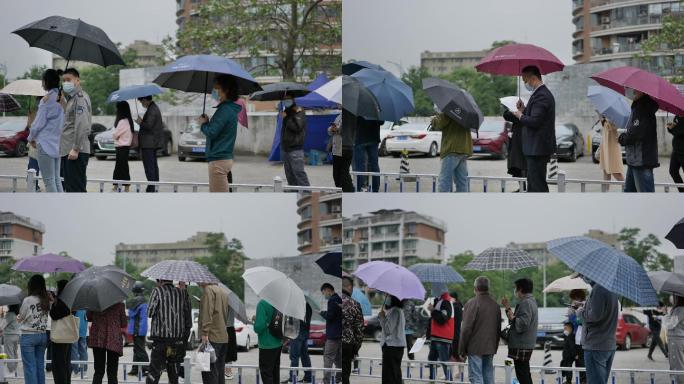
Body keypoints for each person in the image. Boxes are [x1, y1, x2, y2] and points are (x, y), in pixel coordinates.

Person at [510, 66, 556, 192]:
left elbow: (535, 121)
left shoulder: (541, 95)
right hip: (535, 148)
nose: (525, 83)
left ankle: (541, 209)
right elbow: (536, 116)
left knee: (537, 185)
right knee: (533, 183)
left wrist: (520, 115)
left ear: (533, 78)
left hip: (537, 149)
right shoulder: (538, 94)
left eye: (525, 80)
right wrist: (524, 110)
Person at [198, 75, 241, 192]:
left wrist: (203, 124)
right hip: (222, 159)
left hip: (218, 161)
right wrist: (207, 122)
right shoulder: (228, 109)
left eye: (216, 88)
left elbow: (212, 132)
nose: (214, 91)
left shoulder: (224, 110)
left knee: (219, 201)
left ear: (225, 90)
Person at [146, 280, 192, 384]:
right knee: (173, 372)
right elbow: (187, 311)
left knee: (154, 372)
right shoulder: (181, 292)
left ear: (160, 280)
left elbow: (149, 312)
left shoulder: (157, 291)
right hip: (175, 342)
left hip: (160, 341)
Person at [577, 274, 619, 384]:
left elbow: (594, 316)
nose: (582, 278)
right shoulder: (611, 288)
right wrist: (586, 306)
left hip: (596, 345)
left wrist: (580, 312)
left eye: (582, 275)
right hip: (607, 344)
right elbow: (601, 311)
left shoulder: (598, 289)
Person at [459, 276, 501, 384]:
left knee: (476, 377)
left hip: (475, 347)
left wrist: (462, 349)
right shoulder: (495, 305)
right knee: (488, 376)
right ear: (488, 288)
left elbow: (466, 329)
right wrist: (494, 347)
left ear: (475, 288)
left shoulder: (472, 303)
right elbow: (498, 329)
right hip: (490, 347)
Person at [28, 69, 64, 192]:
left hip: (45, 143)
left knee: (49, 181)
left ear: (46, 81)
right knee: (57, 179)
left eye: (42, 80)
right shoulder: (62, 98)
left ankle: (54, 209)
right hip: (58, 143)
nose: (42, 83)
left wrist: (31, 137)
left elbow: (38, 124)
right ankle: (61, 207)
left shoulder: (46, 100)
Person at [618, 87, 659, 192]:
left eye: (635, 89)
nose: (633, 91)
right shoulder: (637, 107)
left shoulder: (643, 108)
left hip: (641, 161)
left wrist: (622, 138)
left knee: (645, 199)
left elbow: (635, 134)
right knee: (629, 195)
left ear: (643, 91)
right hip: (634, 161)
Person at [501, 278, 538, 384]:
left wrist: (513, 317)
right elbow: (516, 320)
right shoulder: (530, 301)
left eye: (516, 288)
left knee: (522, 374)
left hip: (522, 344)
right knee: (524, 372)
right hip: (524, 343)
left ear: (520, 289)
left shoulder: (526, 302)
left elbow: (523, 323)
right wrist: (507, 307)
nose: (515, 291)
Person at [60, 68, 91, 192]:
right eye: (64, 80)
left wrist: (76, 148)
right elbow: (70, 121)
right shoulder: (72, 99)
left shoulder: (80, 98)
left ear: (77, 81)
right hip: (68, 149)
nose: (65, 83)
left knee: (76, 189)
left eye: (69, 80)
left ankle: (80, 211)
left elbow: (82, 125)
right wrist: (63, 102)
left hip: (75, 151)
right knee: (70, 186)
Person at [19, 275, 51, 384]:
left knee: (30, 368)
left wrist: (19, 318)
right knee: (39, 366)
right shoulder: (46, 300)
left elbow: (22, 316)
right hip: (42, 335)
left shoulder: (28, 300)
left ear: (31, 285)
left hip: (28, 335)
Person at [431, 110, 473, 192]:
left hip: (452, 148)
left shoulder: (450, 110)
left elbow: (439, 124)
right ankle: (461, 203)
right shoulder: (467, 112)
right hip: (464, 148)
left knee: (444, 181)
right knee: (462, 182)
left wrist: (433, 119)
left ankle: (442, 203)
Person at [87, 302, 127, 384]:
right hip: (114, 340)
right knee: (112, 373)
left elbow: (89, 317)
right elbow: (124, 323)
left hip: (98, 338)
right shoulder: (119, 304)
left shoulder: (94, 303)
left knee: (98, 372)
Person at [198, 282, 230, 384]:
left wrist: (204, 333)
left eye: (199, 280)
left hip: (211, 337)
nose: (198, 282)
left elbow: (208, 313)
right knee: (219, 372)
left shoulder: (208, 290)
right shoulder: (223, 291)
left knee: (209, 374)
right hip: (223, 337)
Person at [426, 283, 454, 379]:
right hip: (435, 336)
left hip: (443, 338)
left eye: (434, 287)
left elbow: (442, 319)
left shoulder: (446, 302)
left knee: (444, 361)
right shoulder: (438, 300)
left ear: (440, 289)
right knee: (432, 360)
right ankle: (432, 379)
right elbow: (433, 319)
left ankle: (449, 380)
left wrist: (433, 310)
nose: (432, 290)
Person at [280, 95, 310, 186]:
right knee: (290, 176)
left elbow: (298, 127)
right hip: (286, 149)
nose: (286, 101)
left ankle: (307, 195)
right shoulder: (286, 112)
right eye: (284, 99)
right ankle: (293, 195)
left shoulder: (299, 111)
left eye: (287, 99)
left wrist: (286, 118)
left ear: (293, 99)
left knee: (299, 174)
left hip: (295, 149)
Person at [136, 95, 163, 192]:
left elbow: (149, 126)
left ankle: (152, 188)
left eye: (141, 102)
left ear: (144, 100)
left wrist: (140, 122)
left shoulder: (152, 110)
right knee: (153, 166)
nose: (141, 104)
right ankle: (154, 186)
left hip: (149, 144)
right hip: (151, 143)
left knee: (149, 167)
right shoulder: (153, 108)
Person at [341, 276, 364, 384]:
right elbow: (359, 328)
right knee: (345, 371)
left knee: (331, 369)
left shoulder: (333, 301)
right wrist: (356, 348)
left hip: (333, 341)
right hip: (347, 343)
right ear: (349, 287)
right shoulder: (354, 304)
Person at [254, 299, 283, 384]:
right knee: (275, 372)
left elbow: (258, 327)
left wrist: (255, 321)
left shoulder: (262, 303)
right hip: (278, 342)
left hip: (267, 343)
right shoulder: (278, 302)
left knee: (266, 374)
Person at [49, 280, 73, 384]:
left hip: (60, 337)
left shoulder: (62, 300)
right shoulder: (70, 299)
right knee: (66, 362)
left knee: (59, 364)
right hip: (68, 335)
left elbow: (55, 315)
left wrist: (53, 303)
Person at [282, 302, 312, 383]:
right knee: (305, 356)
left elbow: (293, 322)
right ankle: (308, 377)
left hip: (297, 333)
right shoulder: (308, 305)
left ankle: (293, 378)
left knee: (294, 356)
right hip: (305, 333)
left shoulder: (297, 306)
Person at [378, 294, 405, 383]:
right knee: (395, 374)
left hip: (391, 347)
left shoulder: (394, 311)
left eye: (388, 296)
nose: (387, 298)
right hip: (396, 346)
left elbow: (388, 330)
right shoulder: (399, 310)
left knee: (389, 376)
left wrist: (382, 317)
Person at [320, 283, 342, 384]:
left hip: (333, 335)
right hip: (340, 334)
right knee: (338, 358)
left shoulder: (332, 300)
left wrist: (322, 313)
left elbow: (330, 316)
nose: (324, 295)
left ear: (328, 290)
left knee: (328, 357)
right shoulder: (339, 299)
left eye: (324, 292)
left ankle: (326, 381)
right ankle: (338, 379)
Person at [353, 118, 381, 192]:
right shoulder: (377, 107)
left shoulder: (358, 107)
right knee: (374, 164)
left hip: (360, 139)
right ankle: (375, 189)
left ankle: (358, 188)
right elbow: (382, 122)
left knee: (359, 166)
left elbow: (353, 121)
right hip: (374, 138)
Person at [597, 117, 624, 192]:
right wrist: (601, 117)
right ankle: (605, 192)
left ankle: (627, 189)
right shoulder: (606, 115)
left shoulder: (614, 115)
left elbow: (611, 127)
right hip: (605, 144)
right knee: (605, 170)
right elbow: (605, 126)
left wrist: (603, 118)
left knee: (615, 171)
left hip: (612, 146)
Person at [127, 282, 149, 376]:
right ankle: (135, 368)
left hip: (137, 328)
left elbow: (131, 314)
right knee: (137, 349)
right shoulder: (144, 300)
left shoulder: (136, 300)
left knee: (140, 350)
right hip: (142, 328)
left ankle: (146, 369)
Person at [329, 111, 354, 192]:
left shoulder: (350, 115)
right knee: (336, 174)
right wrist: (332, 129)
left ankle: (350, 193)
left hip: (345, 147)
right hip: (337, 148)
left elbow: (347, 130)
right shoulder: (339, 115)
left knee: (344, 174)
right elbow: (330, 129)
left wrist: (337, 129)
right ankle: (340, 192)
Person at [502, 103, 527, 186]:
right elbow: (506, 115)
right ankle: (522, 187)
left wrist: (519, 112)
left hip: (523, 143)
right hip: (517, 143)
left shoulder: (528, 113)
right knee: (517, 166)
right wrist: (516, 111)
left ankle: (524, 188)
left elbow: (507, 115)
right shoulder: (517, 113)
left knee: (522, 166)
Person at [112, 101, 133, 192]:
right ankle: (119, 185)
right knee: (122, 166)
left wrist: (114, 133)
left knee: (121, 167)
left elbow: (115, 135)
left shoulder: (122, 122)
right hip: (125, 147)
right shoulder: (128, 121)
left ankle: (123, 185)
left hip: (121, 147)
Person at [567, 289, 587, 384]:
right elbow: (570, 321)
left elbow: (582, 321)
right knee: (573, 359)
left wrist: (578, 311)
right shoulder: (572, 307)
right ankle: (570, 380)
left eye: (576, 298)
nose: (574, 300)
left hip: (583, 338)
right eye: (573, 298)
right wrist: (572, 311)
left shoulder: (586, 305)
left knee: (582, 361)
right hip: (574, 337)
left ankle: (584, 380)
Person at [667, 295, 684, 384]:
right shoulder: (678, 309)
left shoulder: (680, 309)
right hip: (676, 338)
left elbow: (670, 324)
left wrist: (666, 316)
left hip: (676, 339)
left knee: (677, 365)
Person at [1, 304, 21, 374]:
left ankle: (11, 370)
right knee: (15, 352)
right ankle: (15, 368)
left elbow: (2, 325)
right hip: (17, 335)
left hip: (9, 335)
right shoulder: (18, 314)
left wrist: (2, 318)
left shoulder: (10, 314)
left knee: (9, 353)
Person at [667, 116, 684, 192]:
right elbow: (676, 129)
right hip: (676, 150)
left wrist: (672, 129)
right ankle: (682, 191)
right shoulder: (678, 115)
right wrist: (671, 127)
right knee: (673, 171)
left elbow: (680, 130)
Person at [71, 309, 88, 378]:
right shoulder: (85, 305)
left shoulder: (74, 304)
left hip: (75, 328)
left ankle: (76, 371)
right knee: (83, 350)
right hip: (83, 329)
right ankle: (84, 370)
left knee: (74, 350)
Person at [449, 291, 464, 362]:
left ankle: (456, 358)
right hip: (457, 328)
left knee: (454, 344)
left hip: (454, 328)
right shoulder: (458, 305)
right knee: (455, 343)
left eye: (450, 297)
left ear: (453, 298)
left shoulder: (456, 306)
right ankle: (457, 357)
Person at [224, 305, 237, 381]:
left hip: (226, 328)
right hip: (231, 329)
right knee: (229, 350)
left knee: (227, 351)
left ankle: (228, 372)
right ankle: (228, 371)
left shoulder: (224, 304)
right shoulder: (232, 304)